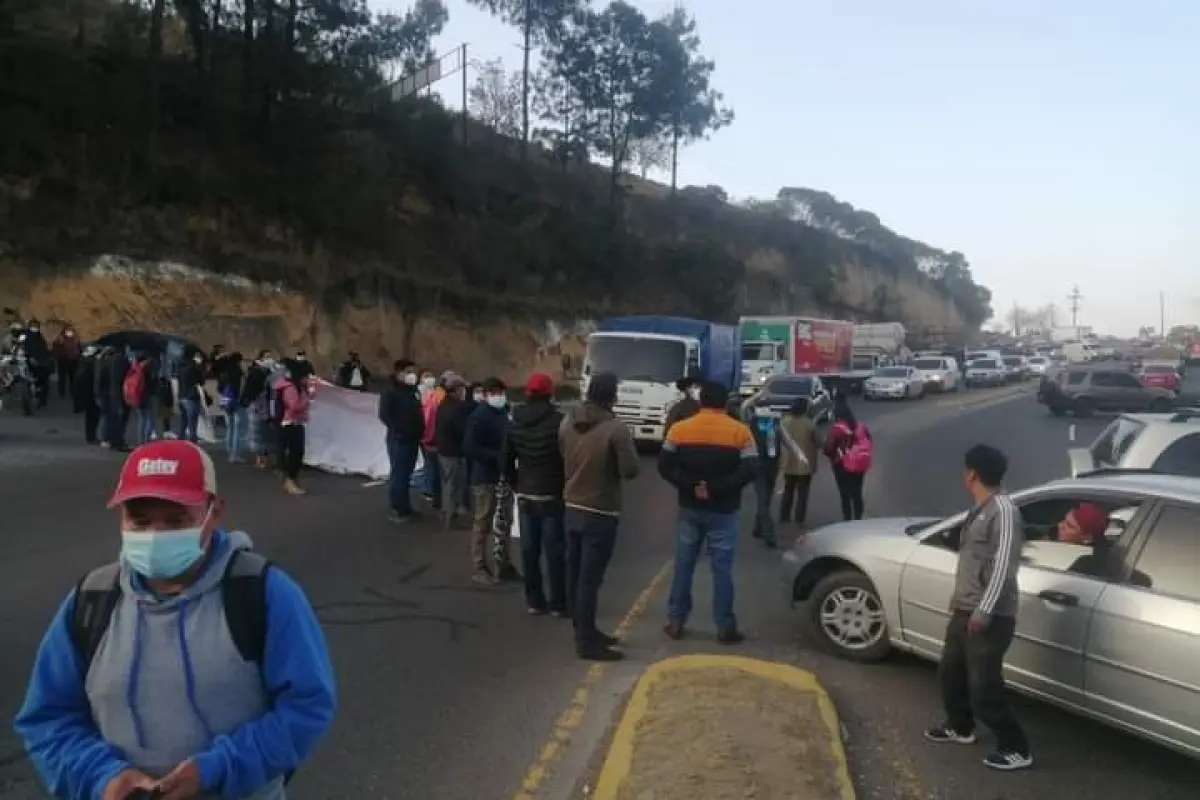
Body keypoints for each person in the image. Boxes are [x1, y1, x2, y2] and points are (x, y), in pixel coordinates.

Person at [14, 440, 336, 798]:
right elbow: (47, 717)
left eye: (175, 520)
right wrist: (103, 777)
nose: (154, 535)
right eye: (140, 520)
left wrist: (218, 769)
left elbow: (306, 705)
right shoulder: (92, 600)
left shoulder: (262, 593)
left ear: (214, 513)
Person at [925, 444, 1031, 771]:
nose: (963, 475)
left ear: (972, 474)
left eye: (965, 470)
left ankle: (1016, 748)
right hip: (964, 609)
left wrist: (983, 611)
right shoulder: (980, 508)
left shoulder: (1003, 511)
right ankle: (960, 726)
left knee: (984, 687)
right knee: (951, 673)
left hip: (989, 617)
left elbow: (1004, 567)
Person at [658, 380, 757, 644]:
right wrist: (716, 488)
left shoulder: (679, 430)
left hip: (690, 507)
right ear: (725, 404)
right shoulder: (741, 432)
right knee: (722, 570)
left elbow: (665, 467)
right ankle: (725, 627)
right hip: (724, 510)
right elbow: (749, 470)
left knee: (683, 565)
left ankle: (676, 622)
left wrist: (693, 486)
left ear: (701, 402)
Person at [559, 372, 640, 661]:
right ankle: (586, 642)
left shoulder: (567, 421)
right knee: (590, 579)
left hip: (571, 506)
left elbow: (562, 454)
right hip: (601, 510)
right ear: (612, 395)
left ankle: (585, 629)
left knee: (575, 572)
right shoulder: (616, 429)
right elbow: (629, 470)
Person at [503, 372, 567, 616]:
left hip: (526, 493)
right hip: (552, 493)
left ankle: (534, 600)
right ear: (549, 394)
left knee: (530, 550)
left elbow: (505, 459)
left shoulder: (514, 421)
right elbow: (566, 457)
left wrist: (516, 483)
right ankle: (558, 603)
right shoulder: (559, 422)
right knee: (555, 551)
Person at [463, 377, 510, 585]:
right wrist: (495, 456)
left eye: (500, 391)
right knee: (483, 522)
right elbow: (470, 447)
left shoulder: (503, 413)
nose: (498, 396)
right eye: (494, 392)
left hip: (503, 475)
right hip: (484, 477)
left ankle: (504, 563)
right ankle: (479, 566)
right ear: (486, 395)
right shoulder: (479, 416)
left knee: (503, 522)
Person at [379, 359, 424, 523]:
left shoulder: (412, 391)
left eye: (413, 371)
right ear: (399, 373)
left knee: (407, 474)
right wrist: (399, 430)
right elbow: (385, 415)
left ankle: (406, 506)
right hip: (399, 439)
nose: (412, 375)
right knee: (399, 474)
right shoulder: (391, 392)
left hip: (413, 438)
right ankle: (396, 508)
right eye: (408, 371)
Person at [823, 400, 872, 521]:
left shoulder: (837, 429)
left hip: (841, 465)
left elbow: (829, 448)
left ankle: (848, 519)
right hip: (860, 464)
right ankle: (858, 517)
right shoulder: (861, 426)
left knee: (845, 494)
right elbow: (869, 441)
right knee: (857, 492)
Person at [434, 375, 471, 528]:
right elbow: (462, 430)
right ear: (456, 390)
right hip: (454, 451)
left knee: (446, 483)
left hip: (443, 449)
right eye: (462, 389)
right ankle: (449, 517)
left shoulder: (443, 404)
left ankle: (445, 513)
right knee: (453, 485)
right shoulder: (458, 408)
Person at [778, 396, 821, 527]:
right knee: (803, 493)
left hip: (788, 462)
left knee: (788, 490)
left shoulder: (784, 422)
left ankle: (784, 516)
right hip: (805, 465)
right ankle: (799, 519)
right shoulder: (809, 424)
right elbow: (819, 443)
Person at [272, 359, 313, 496]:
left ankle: (291, 480)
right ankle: (289, 480)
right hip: (289, 423)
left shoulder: (296, 386)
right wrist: (307, 399)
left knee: (297, 452)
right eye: (305, 376)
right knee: (294, 453)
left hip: (295, 422)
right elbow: (294, 406)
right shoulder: (290, 387)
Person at [748, 400, 782, 548]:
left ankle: (758, 528)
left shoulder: (775, 423)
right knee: (763, 499)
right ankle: (769, 535)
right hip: (758, 465)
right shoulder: (752, 424)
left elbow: (786, 440)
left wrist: (799, 454)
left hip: (772, 464)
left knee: (766, 498)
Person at [242, 350, 278, 469]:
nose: (269, 359)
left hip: (264, 408)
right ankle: (260, 459)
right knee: (258, 434)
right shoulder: (258, 372)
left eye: (270, 356)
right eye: (267, 357)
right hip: (259, 407)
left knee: (264, 435)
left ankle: (263, 459)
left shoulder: (272, 373)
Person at [420, 373, 450, 509]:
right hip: (435, 439)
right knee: (438, 469)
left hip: (429, 438)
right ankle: (437, 497)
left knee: (431, 466)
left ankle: (431, 492)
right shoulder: (441, 398)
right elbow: (433, 419)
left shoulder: (434, 395)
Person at [219, 353, 247, 463]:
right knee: (237, 428)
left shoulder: (224, 372)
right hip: (235, 401)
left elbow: (219, 387)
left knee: (229, 427)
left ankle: (229, 448)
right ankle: (234, 454)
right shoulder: (238, 372)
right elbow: (241, 387)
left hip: (225, 401)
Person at [74, 344, 101, 444]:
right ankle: (91, 437)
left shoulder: (83, 363)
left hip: (88, 394)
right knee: (92, 417)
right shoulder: (89, 365)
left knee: (91, 417)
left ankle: (91, 436)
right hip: (90, 394)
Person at [177, 352, 206, 443]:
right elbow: (200, 382)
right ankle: (193, 441)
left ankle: (181, 439)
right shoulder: (195, 368)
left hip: (182, 396)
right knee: (193, 422)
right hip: (192, 396)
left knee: (184, 421)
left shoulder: (181, 367)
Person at [23, 318, 52, 407]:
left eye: (36, 326)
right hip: (28, 362)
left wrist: (45, 359)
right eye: (33, 326)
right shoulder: (25, 337)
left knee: (43, 382)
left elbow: (44, 350)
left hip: (41, 363)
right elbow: (23, 348)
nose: (35, 328)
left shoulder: (40, 337)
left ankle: (42, 400)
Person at [51, 323, 81, 399]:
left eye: (71, 330)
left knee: (73, 378)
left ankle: (73, 392)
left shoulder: (75, 338)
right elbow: (55, 348)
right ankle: (62, 392)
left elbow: (78, 348)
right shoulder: (60, 338)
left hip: (73, 360)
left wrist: (78, 354)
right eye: (68, 330)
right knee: (62, 378)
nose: (69, 332)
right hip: (63, 360)